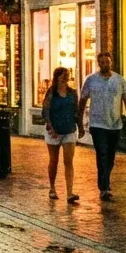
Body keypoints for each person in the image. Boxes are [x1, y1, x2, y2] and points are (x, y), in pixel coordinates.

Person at [80, 52, 126, 202]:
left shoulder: (119, 80)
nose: (104, 64)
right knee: (101, 153)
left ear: (111, 62)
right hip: (97, 123)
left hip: (115, 124)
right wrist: (79, 122)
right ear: (98, 64)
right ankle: (105, 187)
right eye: (101, 62)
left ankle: (105, 180)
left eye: (107, 61)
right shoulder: (91, 80)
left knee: (110, 156)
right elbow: (83, 100)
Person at [42, 66, 82, 202]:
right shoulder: (51, 93)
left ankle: (70, 193)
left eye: (67, 75)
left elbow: (76, 111)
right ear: (56, 77)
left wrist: (80, 127)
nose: (65, 77)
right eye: (62, 75)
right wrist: (50, 127)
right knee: (54, 161)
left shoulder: (73, 93)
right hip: (54, 132)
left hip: (69, 130)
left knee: (68, 161)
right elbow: (45, 111)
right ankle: (52, 188)